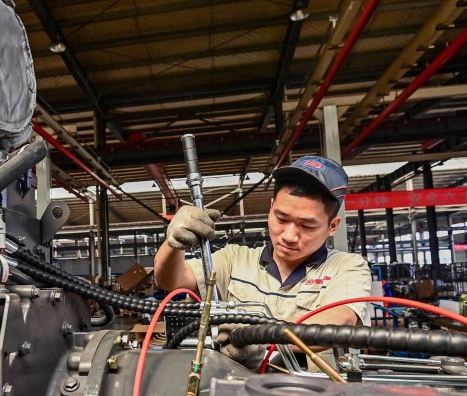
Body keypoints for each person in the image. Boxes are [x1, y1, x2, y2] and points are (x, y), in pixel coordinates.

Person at [154, 155, 371, 368]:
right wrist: (173, 243)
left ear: (332, 226)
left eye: (307, 226)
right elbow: (172, 281)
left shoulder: (348, 266)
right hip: (233, 392)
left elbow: (338, 322)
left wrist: (255, 337)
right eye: (281, 219)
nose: (289, 235)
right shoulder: (234, 259)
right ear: (271, 207)